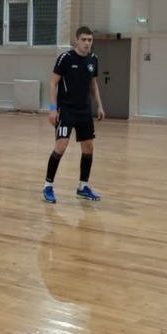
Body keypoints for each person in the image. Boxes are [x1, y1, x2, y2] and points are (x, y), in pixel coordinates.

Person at [42, 26, 105, 203]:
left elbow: (93, 84)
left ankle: (83, 187)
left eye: (90, 40)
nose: (87, 43)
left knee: (88, 148)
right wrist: (53, 108)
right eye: (84, 39)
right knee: (61, 146)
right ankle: (47, 186)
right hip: (67, 110)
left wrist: (100, 106)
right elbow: (53, 82)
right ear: (77, 40)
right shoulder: (66, 58)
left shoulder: (93, 59)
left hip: (84, 111)